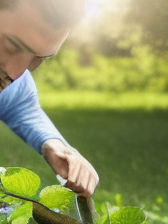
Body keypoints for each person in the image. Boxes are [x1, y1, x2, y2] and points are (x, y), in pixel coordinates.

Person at [0, 0, 98, 197]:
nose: (16, 72)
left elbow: (19, 103)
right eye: (12, 45)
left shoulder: (12, 78)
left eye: (39, 58)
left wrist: (55, 145)